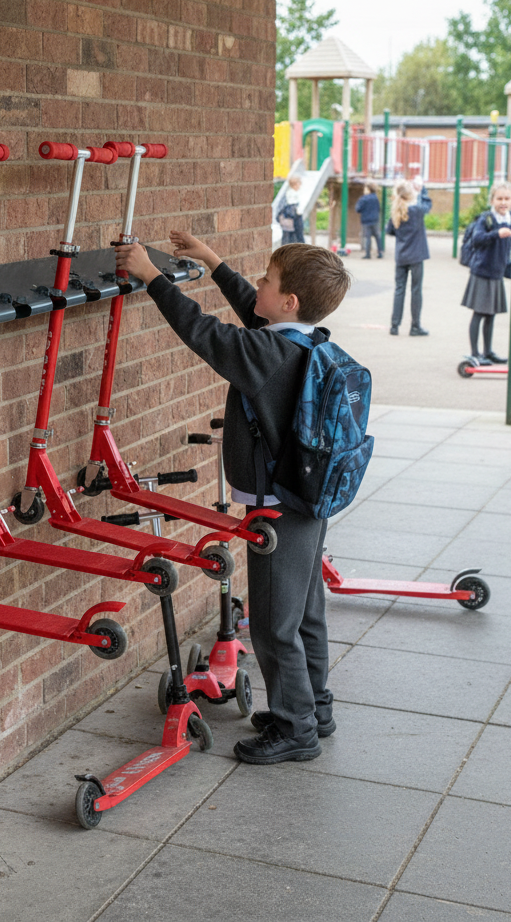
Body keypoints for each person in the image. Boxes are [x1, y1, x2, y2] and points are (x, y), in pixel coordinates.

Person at [115, 232, 352, 765]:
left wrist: (151, 276)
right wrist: (213, 261)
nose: (258, 288)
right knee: (305, 612)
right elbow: (253, 311)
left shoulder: (265, 353)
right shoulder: (302, 341)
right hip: (305, 500)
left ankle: (295, 730)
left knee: (272, 623)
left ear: (288, 302)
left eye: (267, 281)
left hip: (276, 506)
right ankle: (315, 707)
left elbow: (205, 334)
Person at [462, 183, 511, 364]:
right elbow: (477, 239)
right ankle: (475, 353)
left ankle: (488, 351)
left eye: (507, 198)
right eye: (499, 198)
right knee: (479, 313)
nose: (503, 202)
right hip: (482, 272)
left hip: (497, 273)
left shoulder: (510, 218)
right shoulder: (487, 219)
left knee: (491, 314)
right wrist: (496, 234)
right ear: (492, 200)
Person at [386, 179, 432, 336]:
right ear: (411, 194)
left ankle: (394, 325)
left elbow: (389, 230)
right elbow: (428, 206)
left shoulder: (396, 212)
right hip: (416, 256)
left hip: (401, 256)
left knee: (399, 290)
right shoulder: (417, 211)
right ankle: (415, 326)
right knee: (416, 290)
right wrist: (422, 190)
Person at [276, 172, 304, 244]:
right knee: (296, 238)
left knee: (290, 238)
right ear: (295, 184)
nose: (300, 185)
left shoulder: (290, 193)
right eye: (299, 183)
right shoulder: (291, 194)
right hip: (292, 220)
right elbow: (293, 209)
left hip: (290, 220)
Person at [355, 182, 382, 258]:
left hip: (366, 221)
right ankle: (380, 253)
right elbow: (379, 208)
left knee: (368, 237)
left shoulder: (363, 199)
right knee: (377, 236)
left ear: (368, 190)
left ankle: (368, 254)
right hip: (375, 220)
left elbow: (358, 209)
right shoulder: (376, 198)